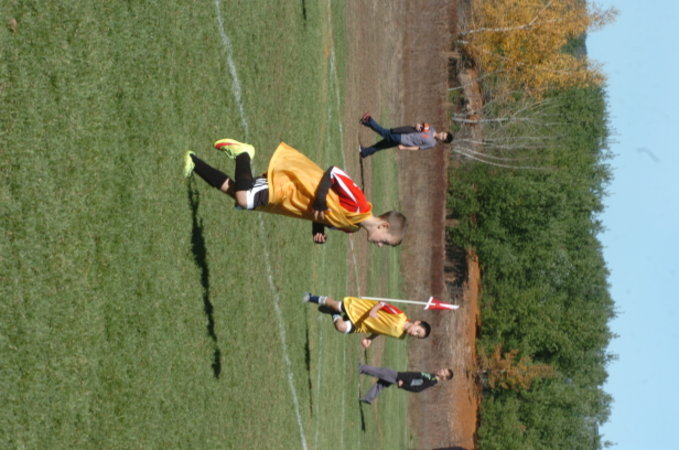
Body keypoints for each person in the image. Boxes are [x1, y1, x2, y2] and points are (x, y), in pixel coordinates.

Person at [184, 138, 407, 246]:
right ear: (384, 226)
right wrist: (320, 200)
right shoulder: (359, 204)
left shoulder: (351, 228)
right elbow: (335, 172)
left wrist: (318, 230)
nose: (379, 244)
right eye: (385, 241)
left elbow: (322, 215)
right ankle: (243, 153)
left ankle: (194, 163)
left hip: (290, 202)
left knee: (237, 193)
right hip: (291, 186)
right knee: (244, 198)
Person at [303, 293, 431, 348]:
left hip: (363, 326)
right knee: (336, 305)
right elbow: (383, 303)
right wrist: (373, 311)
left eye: (417, 336)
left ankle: (334, 313)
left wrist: (370, 339)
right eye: (417, 331)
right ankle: (310, 297)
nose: (414, 334)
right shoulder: (400, 316)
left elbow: (381, 330)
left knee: (340, 327)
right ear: (417, 322)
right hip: (362, 311)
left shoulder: (400, 336)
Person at [358, 112, 453, 158]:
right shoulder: (432, 129)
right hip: (404, 131)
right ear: (443, 132)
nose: (441, 136)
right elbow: (420, 128)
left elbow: (418, 148)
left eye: (443, 138)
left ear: (442, 141)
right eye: (443, 134)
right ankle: (365, 152)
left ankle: (368, 120)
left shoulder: (432, 143)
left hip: (403, 140)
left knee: (385, 133)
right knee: (382, 145)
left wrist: (404, 148)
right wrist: (418, 125)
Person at [358, 364, 454, 404]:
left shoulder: (432, 381)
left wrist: (403, 385)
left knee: (382, 372)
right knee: (383, 382)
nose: (441, 370)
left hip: (400, 378)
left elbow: (417, 388)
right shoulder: (432, 376)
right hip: (401, 376)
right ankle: (368, 398)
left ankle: (361, 368)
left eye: (444, 372)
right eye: (443, 369)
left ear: (444, 378)